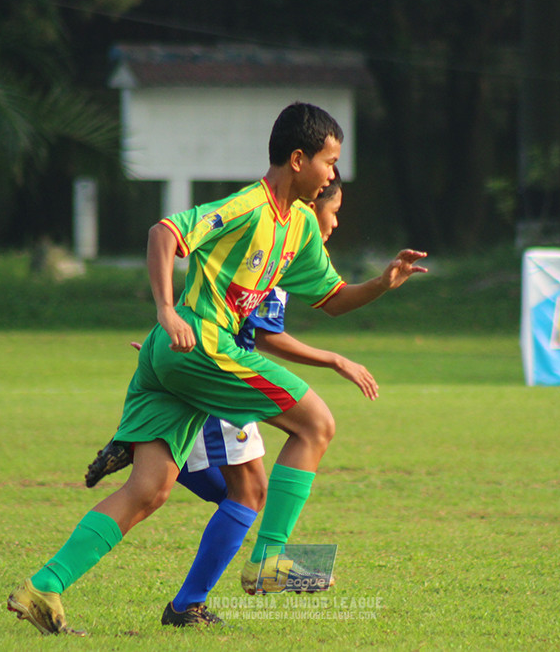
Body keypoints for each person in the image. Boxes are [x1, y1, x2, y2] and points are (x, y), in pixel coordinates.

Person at [6, 102, 427, 635]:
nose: (333, 174)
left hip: (171, 356)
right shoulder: (249, 205)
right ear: (298, 159)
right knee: (316, 423)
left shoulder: (297, 224)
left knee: (150, 487)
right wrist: (164, 307)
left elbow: (335, 298)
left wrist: (382, 285)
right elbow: (166, 232)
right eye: (329, 160)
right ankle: (268, 561)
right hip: (200, 343)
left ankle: (44, 586)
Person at [86, 171, 374, 626]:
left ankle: (193, 597)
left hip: (216, 364)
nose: (335, 224)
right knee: (245, 491)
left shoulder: (287, 253)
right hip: (218, 369)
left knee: (242, 493)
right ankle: (208, 592)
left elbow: (268, 326)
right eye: (334, 212)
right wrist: (333, 359)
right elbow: (254, 332)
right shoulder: (267, 228)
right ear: (312, 200)